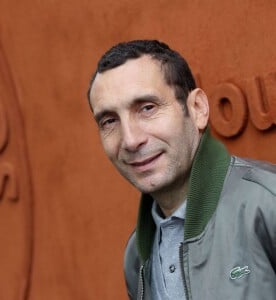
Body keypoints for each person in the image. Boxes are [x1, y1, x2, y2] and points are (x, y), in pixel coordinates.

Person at [87, 40, 276, 300]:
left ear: (197, 109)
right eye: (109, 121)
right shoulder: (136, 257)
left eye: (147, 108)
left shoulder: (268, 205)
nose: (130, 140)